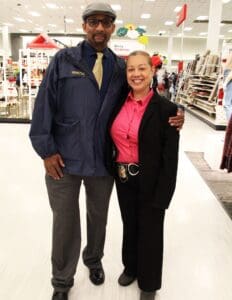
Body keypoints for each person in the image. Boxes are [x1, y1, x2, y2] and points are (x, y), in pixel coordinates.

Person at [29, 3, 184, 300]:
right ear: (84, 25)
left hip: (103, 161)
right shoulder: (63, 60)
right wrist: (46, 151)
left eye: (106, 22)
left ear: (113, 27)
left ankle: (93, 259)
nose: (99, 27)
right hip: (63, 160)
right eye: (93, 22)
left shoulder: (117, 66)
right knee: (65, 222)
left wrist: (174, 114)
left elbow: (141, 95)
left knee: (98, 217)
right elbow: (43, 107)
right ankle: (62, 281)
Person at [107, 51, 180, 300]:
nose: (136, 74)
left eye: (142, 69)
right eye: (131, 69)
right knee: (130, 224)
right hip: (123, 177)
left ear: (152, 72)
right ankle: (131, 267)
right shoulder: (117, 102)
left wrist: (164, 195)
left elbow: (171, 159)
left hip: (151, 179)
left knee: (150, 230)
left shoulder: (166, 109)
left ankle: (149, 284)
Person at [223, 53, 232, 121]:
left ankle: (230, 126)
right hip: (228, 75)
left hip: (229, 77)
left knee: (227, 104)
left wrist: (225, 83)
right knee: (229, 103)